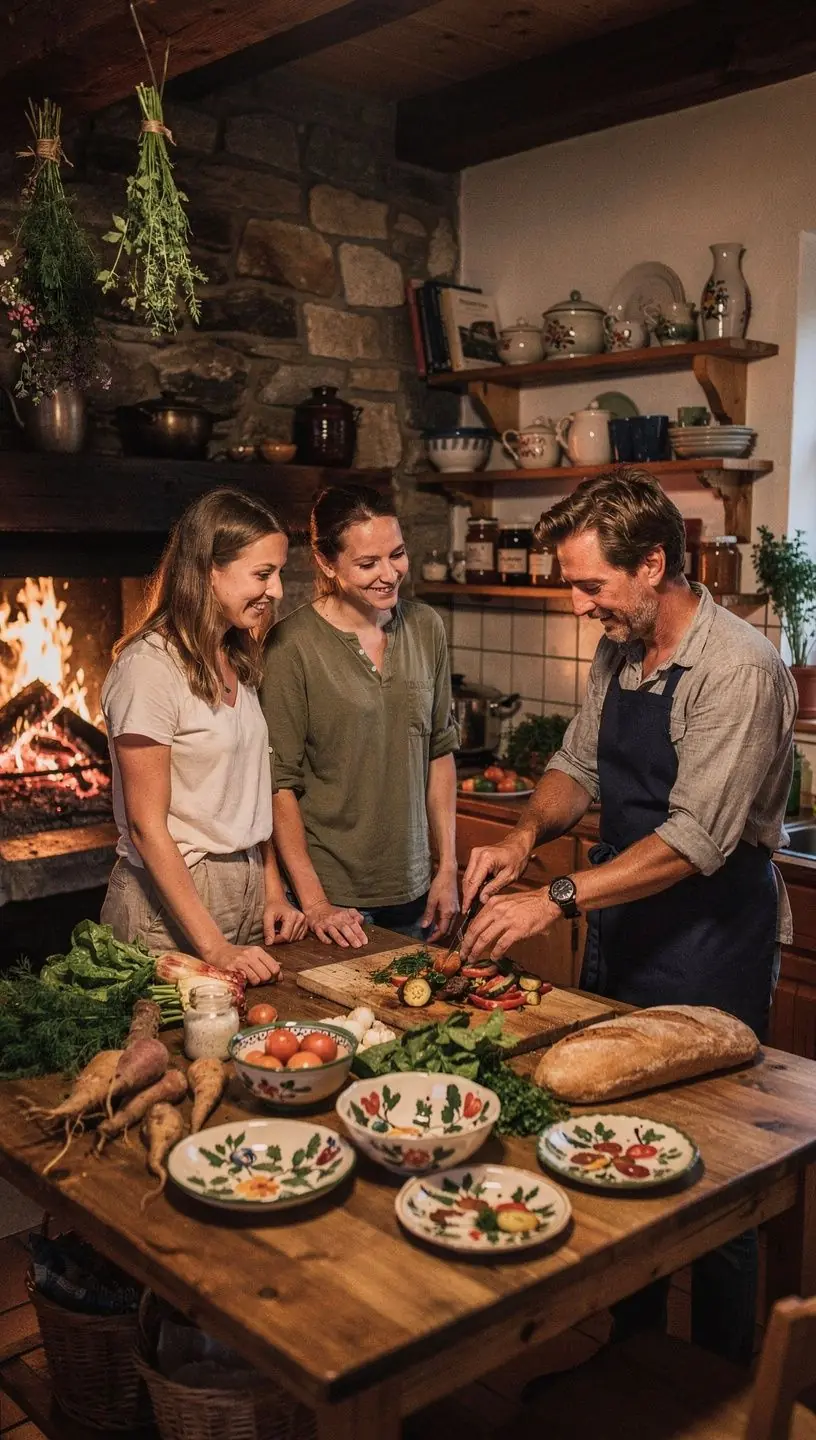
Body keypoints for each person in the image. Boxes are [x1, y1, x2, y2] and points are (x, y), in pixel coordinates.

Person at [460, 469, 796, 1365]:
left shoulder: (738, 671)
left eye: (590, 587)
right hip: (630, 931)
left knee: (719, 1179)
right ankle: (633, 1352)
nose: (579, 607)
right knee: (620, 1152)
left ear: (653, 566)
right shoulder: (621, 647)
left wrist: (557, 897)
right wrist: (524, 837)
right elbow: (578, 765)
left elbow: (695, 840)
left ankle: (718, 1380)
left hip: (711, 945)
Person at [100, 488, 307, 985]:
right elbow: (148, 827)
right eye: (262, 574)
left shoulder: (236, 656)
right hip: (170, 904)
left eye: (277, 572)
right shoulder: (148, 668)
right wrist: (215, 945)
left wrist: (273, 891)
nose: (277, 590)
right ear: (207, 570)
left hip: (247, 890)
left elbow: (248, 794)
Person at [262, 484, 459, 949]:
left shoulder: (427, 627)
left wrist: (447, 867)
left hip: (416, 892)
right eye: (368, 564)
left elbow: (440, 751)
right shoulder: (291, 646)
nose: (390, 575)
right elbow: (277, 784)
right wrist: (313, 902)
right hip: (332, 900)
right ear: (327, 564)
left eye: (398, 555)